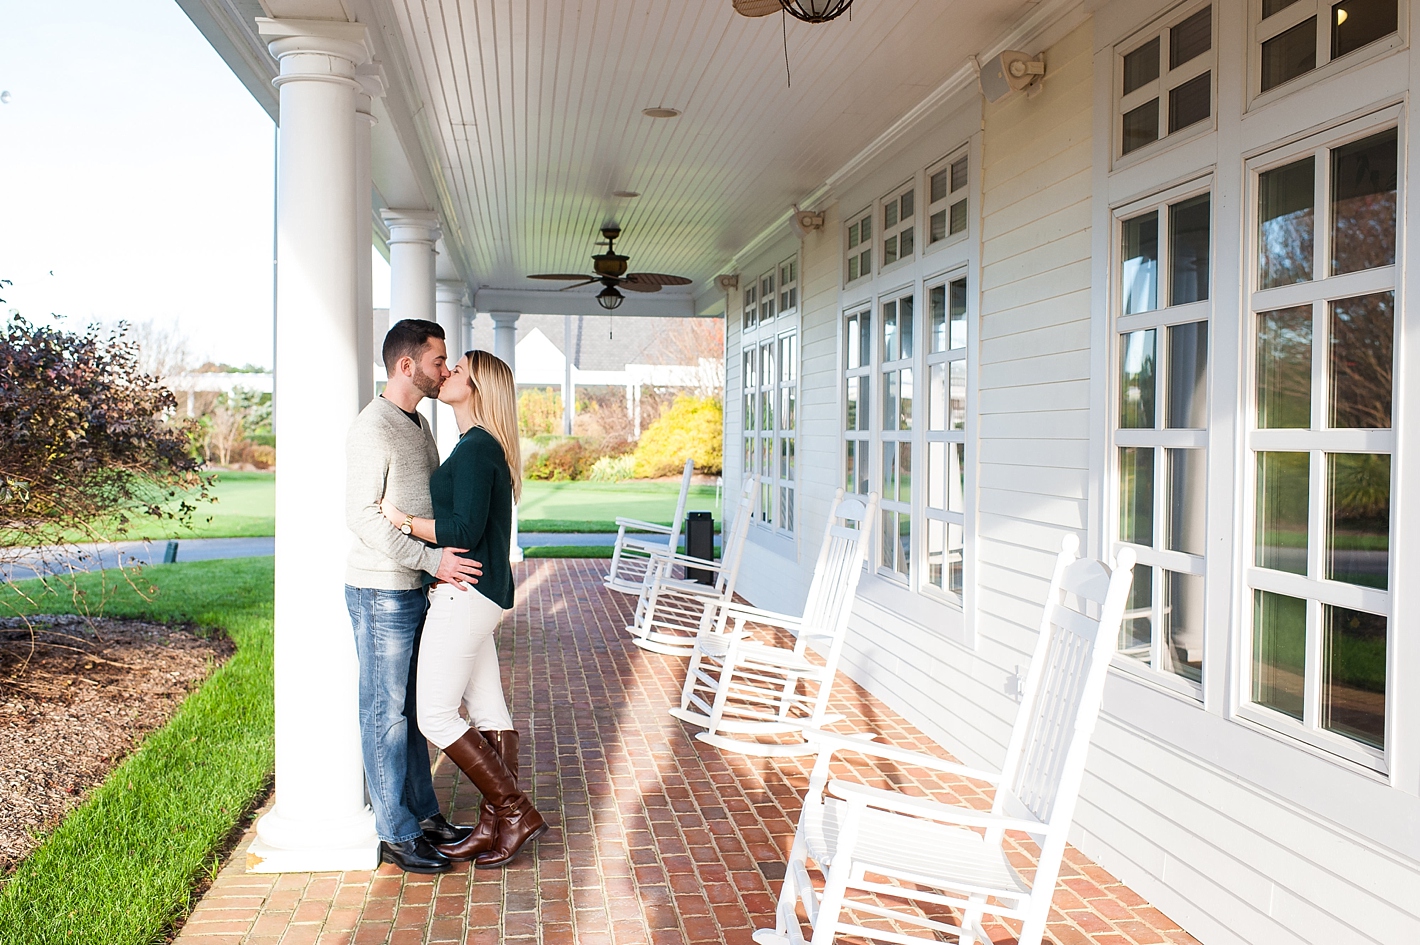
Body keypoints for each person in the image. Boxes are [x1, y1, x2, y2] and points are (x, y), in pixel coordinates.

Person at [378, 349, 547, 869]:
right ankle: (495, 824)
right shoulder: (481, 445)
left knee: (434, 714)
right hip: (483, 597)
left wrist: (400, 519)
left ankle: (513, 810)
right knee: (490, 709)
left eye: (457, 370)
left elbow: (462, 531)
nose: (446, 373)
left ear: (477, 388)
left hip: (465, 596)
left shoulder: (477, 449)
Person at [345, 318, 483, 875]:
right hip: (381, 592)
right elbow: (358, 516)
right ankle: (396, 832)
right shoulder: (372, 428)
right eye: (437, 361)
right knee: (386, 715)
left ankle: (423, 817)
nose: (444, 369)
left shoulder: (418, 423)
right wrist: (432, 561)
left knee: (409, 711)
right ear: (407, 366)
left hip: (412, 589)